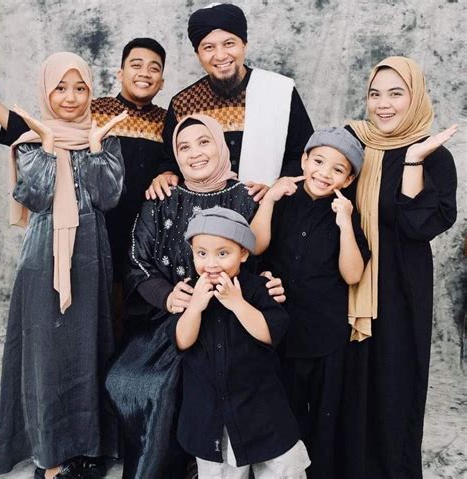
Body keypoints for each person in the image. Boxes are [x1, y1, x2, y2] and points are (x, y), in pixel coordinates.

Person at [105, 114, 266, 479]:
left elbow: (264, 257)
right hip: (171, 317)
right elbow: (137, 260)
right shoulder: (162, 196)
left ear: (220, 145)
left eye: (204, 142)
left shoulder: (248, 196)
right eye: (184, 147)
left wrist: (267, 282)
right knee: (126, 379)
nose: (195, 153)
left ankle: (200, 464)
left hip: (231, 318)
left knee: (199, 378)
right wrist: (167, 297)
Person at [0, 52, 126, 479]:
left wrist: (95, 148)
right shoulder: (31, 139)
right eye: (61, 88)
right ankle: (48, 453)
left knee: (89, 349)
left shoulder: (103, 135)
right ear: (46, 92)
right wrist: (50, 147)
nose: (71, 97)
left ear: (90, 91)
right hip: (43, 257)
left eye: (80, 88)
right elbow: (35, 197)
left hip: (92, 256)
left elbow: (108, 197)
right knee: (46, 354)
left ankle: (88, 448)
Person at [0, 38, 169, 337]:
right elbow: (38, 134)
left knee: (137, 316)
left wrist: (167, 172)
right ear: (120, 73)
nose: (144, 73)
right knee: (100, 313)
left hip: (145, 233)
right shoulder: (92, 111)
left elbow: (177, 158)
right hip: (97, 227)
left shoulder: (166, 120)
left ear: (162, 81)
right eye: (136, 65)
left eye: (154, 68)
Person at [341, 56, 457, 479]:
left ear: (415, 97)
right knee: (349, 389)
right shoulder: (353, 144)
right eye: (375, 94)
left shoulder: (435, 158)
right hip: (347, 283)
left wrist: (412, 160)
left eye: (395, 93)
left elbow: (416, 227)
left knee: (394, 387)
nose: (383, 104)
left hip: (401, 289)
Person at [250, 127, 370, 479]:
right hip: (279, 330)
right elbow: (255, 246)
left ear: (348, 179)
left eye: (338, 169)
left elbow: (352, 274)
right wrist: (270, 199)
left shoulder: (346, 214)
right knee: (280, 409)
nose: (324, 173)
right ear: (303, 161)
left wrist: (344, 223)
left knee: (321, 417)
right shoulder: (282, 199)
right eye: (318, 161)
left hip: (324, 334)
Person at [168, 206, 311, 478]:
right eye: (202, 254)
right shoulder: (190, 292)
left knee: (282, 470)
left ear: (243, 254)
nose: (211, 263)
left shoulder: (257, 288)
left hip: (261, 409)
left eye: (223, 254)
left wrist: (236, 303)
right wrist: (195, 307)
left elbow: (270, 333)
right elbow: (182, 341)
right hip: (211, 417)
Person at [149, 2, 314, 202]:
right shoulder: (183, 103)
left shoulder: (280, 91)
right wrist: (166, 174)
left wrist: (276, 187)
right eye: (208, 47)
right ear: (198, 54)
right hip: (202, 214)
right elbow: (171, 161)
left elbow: (304, 155)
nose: (220, 55)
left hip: (272, 209)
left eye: (229, 43)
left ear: (244, 44)